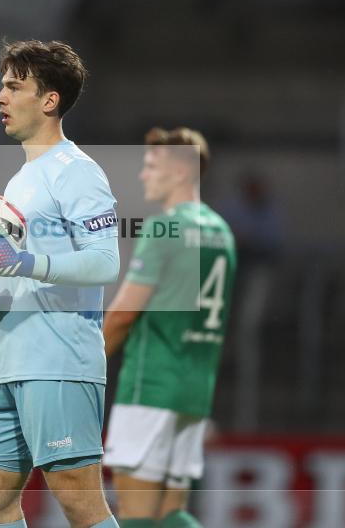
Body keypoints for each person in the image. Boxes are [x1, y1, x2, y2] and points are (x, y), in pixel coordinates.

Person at [0, 40, 121, 528]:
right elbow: (23, 275)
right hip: (13, 360)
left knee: (79, 502)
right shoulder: (21, 181)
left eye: (13, 86)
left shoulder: (77, 172)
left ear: (49, 100)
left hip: (60, 359)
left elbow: (104, 263)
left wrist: (21, 262)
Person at [102, 128, 237, 528]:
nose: (143, 175)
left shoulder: (164, 229)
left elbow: (124, 314)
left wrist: (86, 366)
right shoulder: (222, 232)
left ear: (180, 172)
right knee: (171, 514)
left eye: (152, 166)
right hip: (195, 390)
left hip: (152, 385)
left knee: (136, 516)